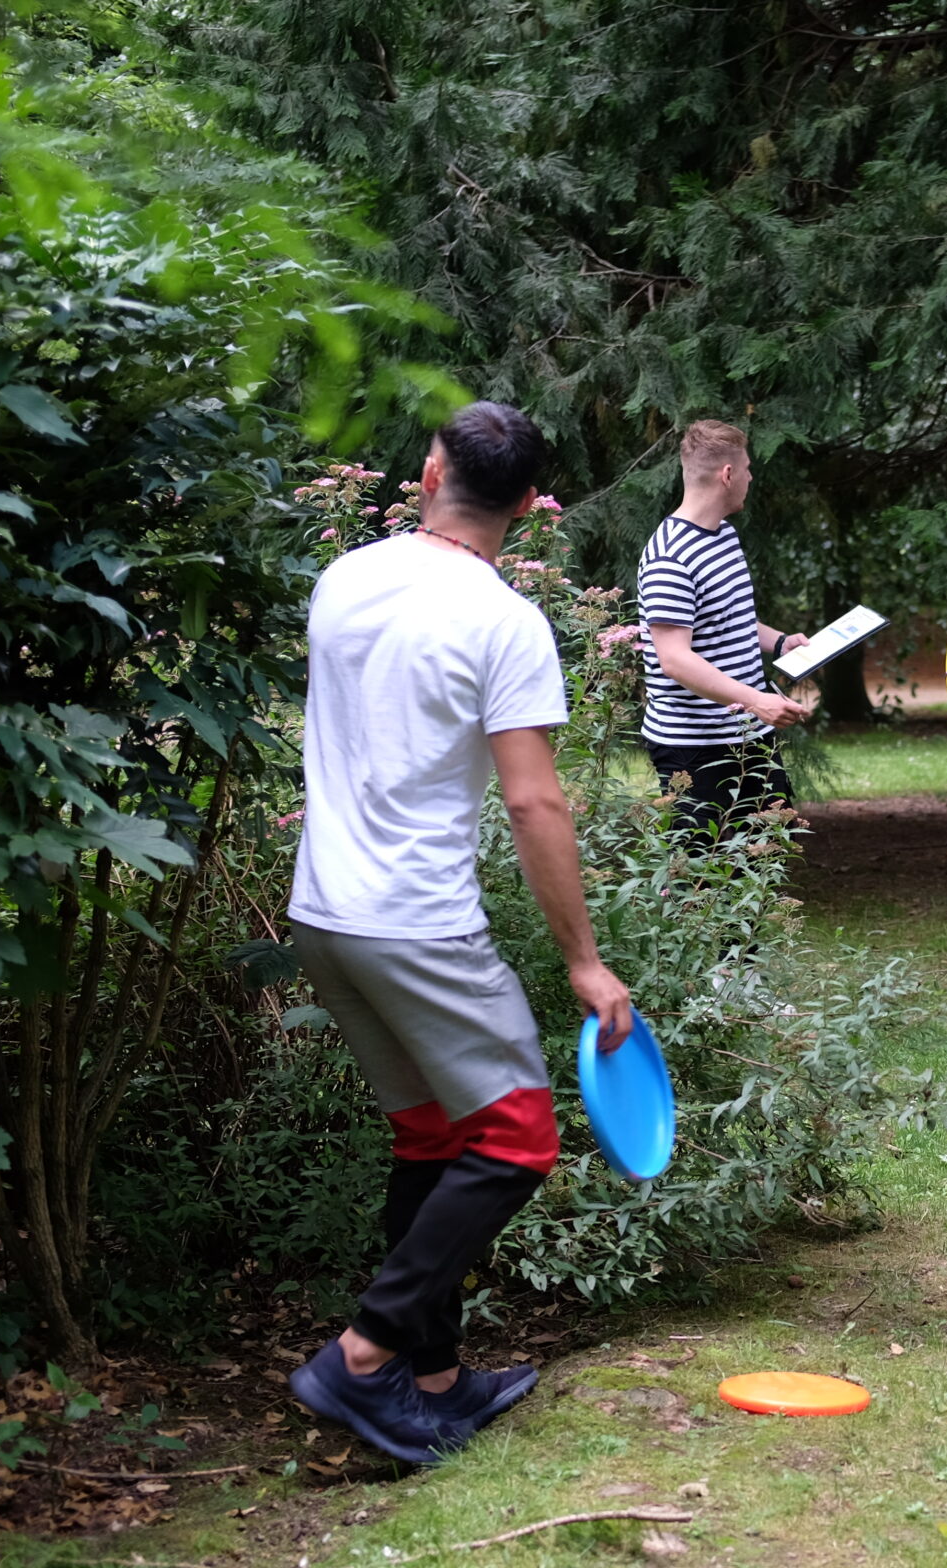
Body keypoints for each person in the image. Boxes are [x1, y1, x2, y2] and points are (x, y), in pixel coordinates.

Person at [286, 400, 635, 1465]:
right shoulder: (504, 622)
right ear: (529, 507)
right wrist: (583, 960)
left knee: (434, 1139)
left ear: (429, 470)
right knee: (517, 1137)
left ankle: (432, 1380)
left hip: (323, 915)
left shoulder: (345, 578)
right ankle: (360, 1357)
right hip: (415, 922)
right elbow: (535, 804)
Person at [635, 420, 812, 832]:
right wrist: (756, 700)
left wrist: (781, 642)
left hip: (749, 737)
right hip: (696, 751)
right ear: (727, 475)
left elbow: (730, 618)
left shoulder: (722, 536)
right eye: (747, 468)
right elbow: (674, 659)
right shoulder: (669, 558)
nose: (751, 477)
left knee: (766, 863)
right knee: (704, 881)